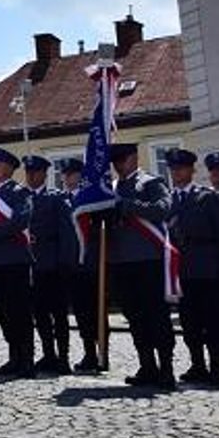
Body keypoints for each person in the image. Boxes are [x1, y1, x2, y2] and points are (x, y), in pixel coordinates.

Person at [108, 142, 176, 390]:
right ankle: (147, 365)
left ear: (134, 158)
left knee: (156, 316)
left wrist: (128, 206)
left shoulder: (150, 183)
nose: (118, 165)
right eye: (115, 161)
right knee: (135, 318)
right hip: (120, 261)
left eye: (122, 159)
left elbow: (163, 209)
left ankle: (166, 368)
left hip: (148, 260)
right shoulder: (111, 188)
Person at [0, 147, 35, 378]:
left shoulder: (21, 193)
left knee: (20, 311)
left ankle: (26, 360)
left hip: (15, 259)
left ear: (10, 168)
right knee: (3, 312)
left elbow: (20, 220)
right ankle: (14, 357)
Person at [166, 148, 219, 385]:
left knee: (213, 321)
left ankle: (217, 367)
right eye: (173, 169)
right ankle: (197, 365)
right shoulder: (168, 200)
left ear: (192, 170)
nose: (177, 173)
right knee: (190, 323)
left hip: (208, 269)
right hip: (181, 271)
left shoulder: (206, 197)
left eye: (181, 169)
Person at [24, 154, 76, 375]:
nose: (31, 176)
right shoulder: (23, 198)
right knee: (40, 315)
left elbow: (67, 233)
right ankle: (48, 354)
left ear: (44, 174)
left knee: (59, 315)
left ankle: (63, 357)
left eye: (35, 172)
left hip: (53, 264)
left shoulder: (56, 199)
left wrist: (65, 262)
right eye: (28, 172)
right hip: (31, 265)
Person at [60, 158, 104, 373]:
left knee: (96, 311)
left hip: (91, 264)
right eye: (64, 175)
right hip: (71, 266)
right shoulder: (62, 201)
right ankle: (89, 352)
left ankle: (102, 352)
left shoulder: (91, 200)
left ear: (80, 176)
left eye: (71, 174)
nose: (67, 178)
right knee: (81, 313)